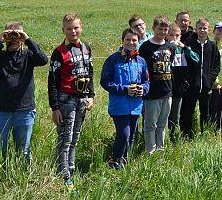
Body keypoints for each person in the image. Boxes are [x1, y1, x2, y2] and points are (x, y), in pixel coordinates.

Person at [0, 21, 48, 162]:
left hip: (25, 110)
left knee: (23, 151)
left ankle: (24, 176)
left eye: (18, 34)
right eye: (11, 34)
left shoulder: (28, 55)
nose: (14, 37)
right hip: (2, 110)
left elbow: (43, 60)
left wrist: (28, 40)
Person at [48, 12, 95, 190]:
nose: (73, 31)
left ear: (81, 28)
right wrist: (55, 107)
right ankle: (63, 174)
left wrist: (91, 95)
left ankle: (72, 168)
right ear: (63, 30)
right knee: (65, 139)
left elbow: (90, 72)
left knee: (75, 137)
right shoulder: (59, 52)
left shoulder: (86, 48)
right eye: (69, 28)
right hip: (65, 99)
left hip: (82, 99)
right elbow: (52, 81)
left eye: (76, 27)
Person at [139, 16, 190, 152]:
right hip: (152, 92)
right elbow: (142, 68)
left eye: (165, 29)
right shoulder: (146, 47)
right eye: (160, 29)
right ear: (153, 28)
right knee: (150, 125)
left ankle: (160, 150)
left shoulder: (169, 47)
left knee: (162, 124)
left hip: (167, 91)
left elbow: (171, 65)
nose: (162, 32)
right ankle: (150, 150)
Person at [100, 29, 149, 168]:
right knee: (124, 135)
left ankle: (125, 162)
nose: (131, 43)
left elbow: (147, 81)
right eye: (128, 40)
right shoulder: (113, 59)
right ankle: (115, 162)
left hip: (136, 106)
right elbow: (105, 82)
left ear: (138, 41)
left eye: (134, 40)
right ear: (122, 41)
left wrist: (143, 89)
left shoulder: (141, 61)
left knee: (131, 136)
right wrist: (124, 89)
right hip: (119, 106)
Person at [184, 18, 221, 137]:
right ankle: (187, 134)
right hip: (192, 86)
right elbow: (185, 64)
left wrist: (209, 80)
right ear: (195, 29)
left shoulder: (213, 47)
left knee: (205, 112)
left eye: (205, 28)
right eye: (200, 28)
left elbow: (216, 66)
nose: (202, 30)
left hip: (206, 86)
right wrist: (189, 79)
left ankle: (204, 133)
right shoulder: (189, 45)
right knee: (188, 111)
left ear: (209, 30)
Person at [169, 11, 194, 140]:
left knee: (177, 114)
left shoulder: (189, 40)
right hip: (166, 86)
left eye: (177, 36)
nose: (175, 38)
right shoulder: (165, 47)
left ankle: (176, 137)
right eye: (172, 35)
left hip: (182, 85)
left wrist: (184, 47)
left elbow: (196, 59)